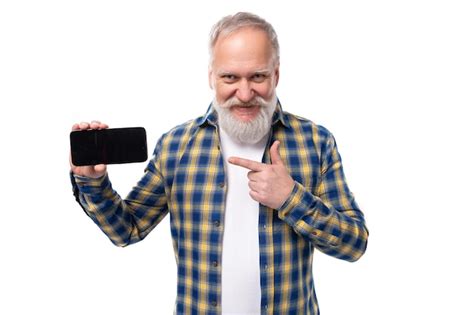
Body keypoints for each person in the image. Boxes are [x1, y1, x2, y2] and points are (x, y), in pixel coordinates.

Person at [70, 12, 368, 315]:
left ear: (276, 75)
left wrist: (291, 198)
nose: (245, 93)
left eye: (258, 76)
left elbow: (354, 244)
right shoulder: (176, 146)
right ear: (212, 76)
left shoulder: (315, 142)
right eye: (230, 77)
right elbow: (127, 230)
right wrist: (92, 182)